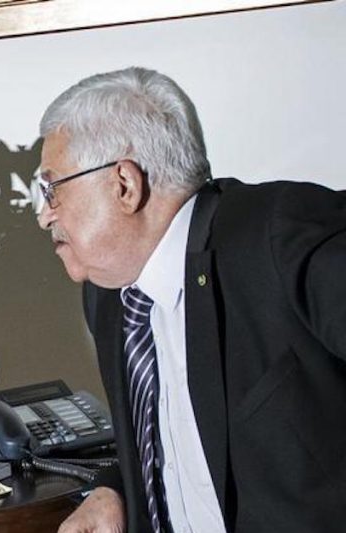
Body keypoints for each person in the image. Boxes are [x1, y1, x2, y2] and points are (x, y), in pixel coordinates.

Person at [34, 67, 346, 532]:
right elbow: (175, 437)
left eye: (52, 189)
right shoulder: (109, 297)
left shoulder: (280, 234)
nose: (44, 216)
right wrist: (113, 490)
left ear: (124, 184)